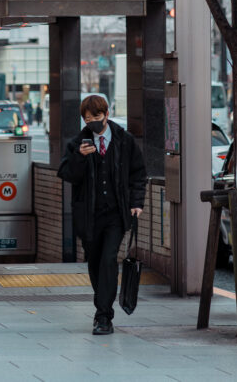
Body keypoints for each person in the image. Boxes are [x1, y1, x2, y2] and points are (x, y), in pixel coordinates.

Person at [58, 94, 147, 336]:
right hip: (89, 214)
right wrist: (80, 157)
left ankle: (103, 316)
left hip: (116, 213)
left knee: (109, 259)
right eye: (88, 119)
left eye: (97, 117)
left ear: (106, 115)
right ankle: (103, 305)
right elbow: (66, 173)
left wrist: (136, 203)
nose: (93, 122)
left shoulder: (124, 140)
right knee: (95, 262)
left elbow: (138, 173)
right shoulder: (78, 142)